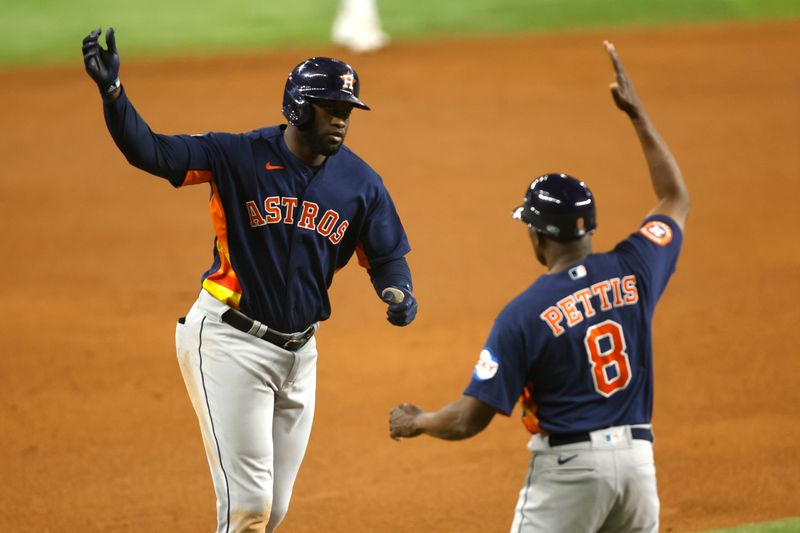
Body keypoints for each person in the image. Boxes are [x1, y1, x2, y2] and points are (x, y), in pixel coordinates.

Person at [82, 27, 417, 533]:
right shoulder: (236, 155)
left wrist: (399, 292)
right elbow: (152, 153)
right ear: (300, 108)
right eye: (332, 107)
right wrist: (113, 94)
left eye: (347, 109)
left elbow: (388, 255)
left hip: (300, 356)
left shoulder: (361, 183)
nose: (343, 119)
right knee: (249, 509)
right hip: (229, 342)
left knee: (271, 509)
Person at [389, 40, 689, 533]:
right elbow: (675, 197)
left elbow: (469, 420)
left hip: (570, 474)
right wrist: (636, 115)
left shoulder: (524, 314)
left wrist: (416, 421)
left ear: (536, 235)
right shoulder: (636, 268)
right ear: (588, 228)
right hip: (638, 467)